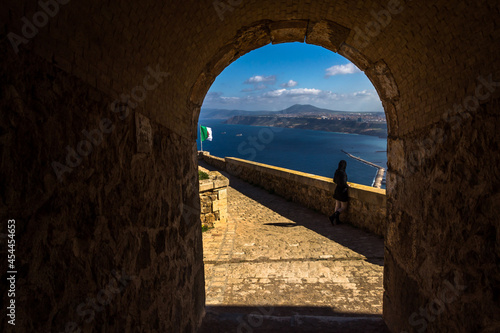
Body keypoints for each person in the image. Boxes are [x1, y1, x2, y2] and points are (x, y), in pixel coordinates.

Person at [329, 160, 349, 226]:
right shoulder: (343, 173)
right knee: (343, 207)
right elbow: (343, 183)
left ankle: (337, 220)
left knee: (337, 205)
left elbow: (334, 181)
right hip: (342, 191)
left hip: (337, 190)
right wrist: (347, 185)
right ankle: (333, 216)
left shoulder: (337, 171)